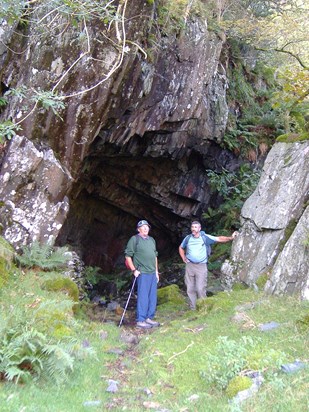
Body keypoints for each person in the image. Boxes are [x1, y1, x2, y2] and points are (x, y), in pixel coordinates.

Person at [179, 221, 238, 310]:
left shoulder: (205, 237)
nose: (194, 229)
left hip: (201, 266)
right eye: (192, 227)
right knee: (190, 288)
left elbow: (218, 239)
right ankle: (193, 308)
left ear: (199, 229)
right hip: (190, 265)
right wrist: (183, 257)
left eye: (196, 227)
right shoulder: (188, 238)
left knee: (200, 288)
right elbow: (181, 247)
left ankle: (203, 306)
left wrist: (230, 238)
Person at [125, 220, 160, 329]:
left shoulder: (152, 240)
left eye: (147, 227)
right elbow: (128, 256)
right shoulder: (134, 239)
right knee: (143, 296)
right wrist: (134, 270)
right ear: (138, 229)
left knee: (152, 296)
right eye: (142, 227)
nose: (145, 229)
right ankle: (141, 319)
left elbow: (155, 257)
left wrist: (156, 272)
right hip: (142, 273)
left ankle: (149, 317)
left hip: (152, 273)